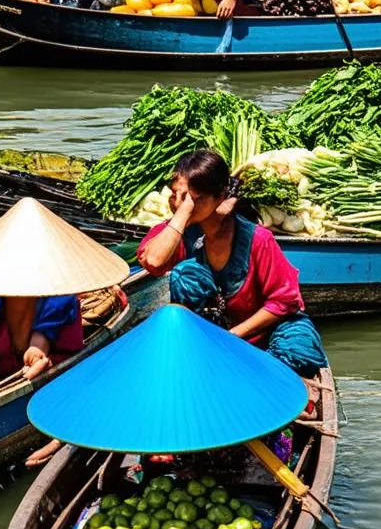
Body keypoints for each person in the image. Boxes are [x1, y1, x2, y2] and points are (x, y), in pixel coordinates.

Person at [136, 150, 327, 378]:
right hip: (206, 339)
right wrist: (183, 214)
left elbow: (284, 301)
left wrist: (232, 336)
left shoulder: (257, 239)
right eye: (176, 196)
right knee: (184, 274)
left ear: (220, 196)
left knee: (298, 348)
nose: (181, 204)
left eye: (194, 199)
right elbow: (154, 261)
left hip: (258, 338)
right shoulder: (177, 232)